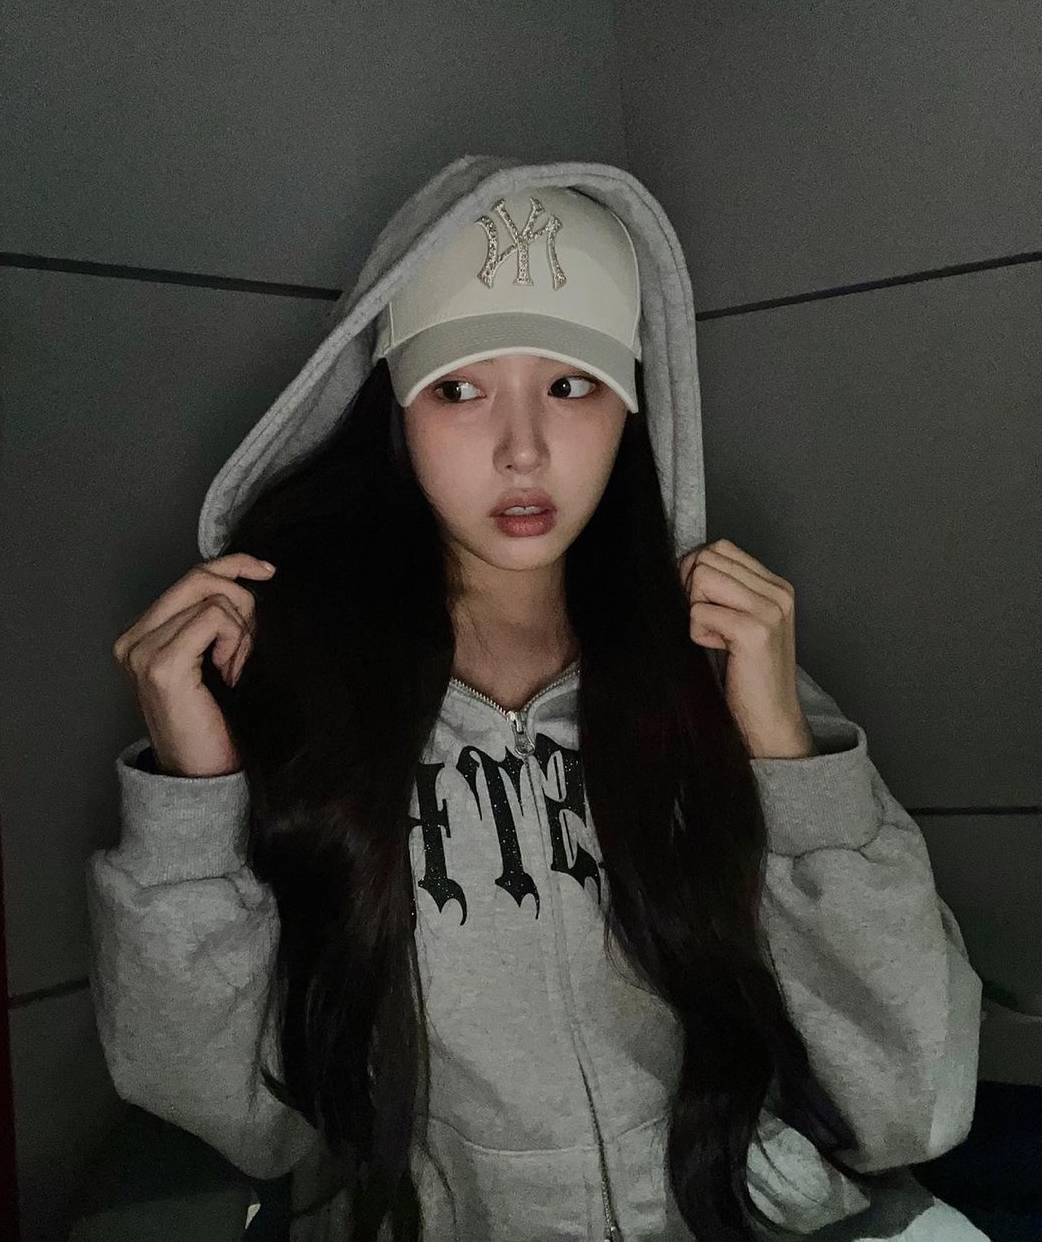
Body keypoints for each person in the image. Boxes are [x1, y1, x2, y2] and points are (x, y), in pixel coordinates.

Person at [86, 155, 989, 1241]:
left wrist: (791, 763)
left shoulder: (718, 674)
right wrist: (192, 807)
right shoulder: (294, 691)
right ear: (396, 412)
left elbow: (911, 1098)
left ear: (633, 405)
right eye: (460, 390)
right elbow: (251, 1123)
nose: (523, 450)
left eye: (571, 386)